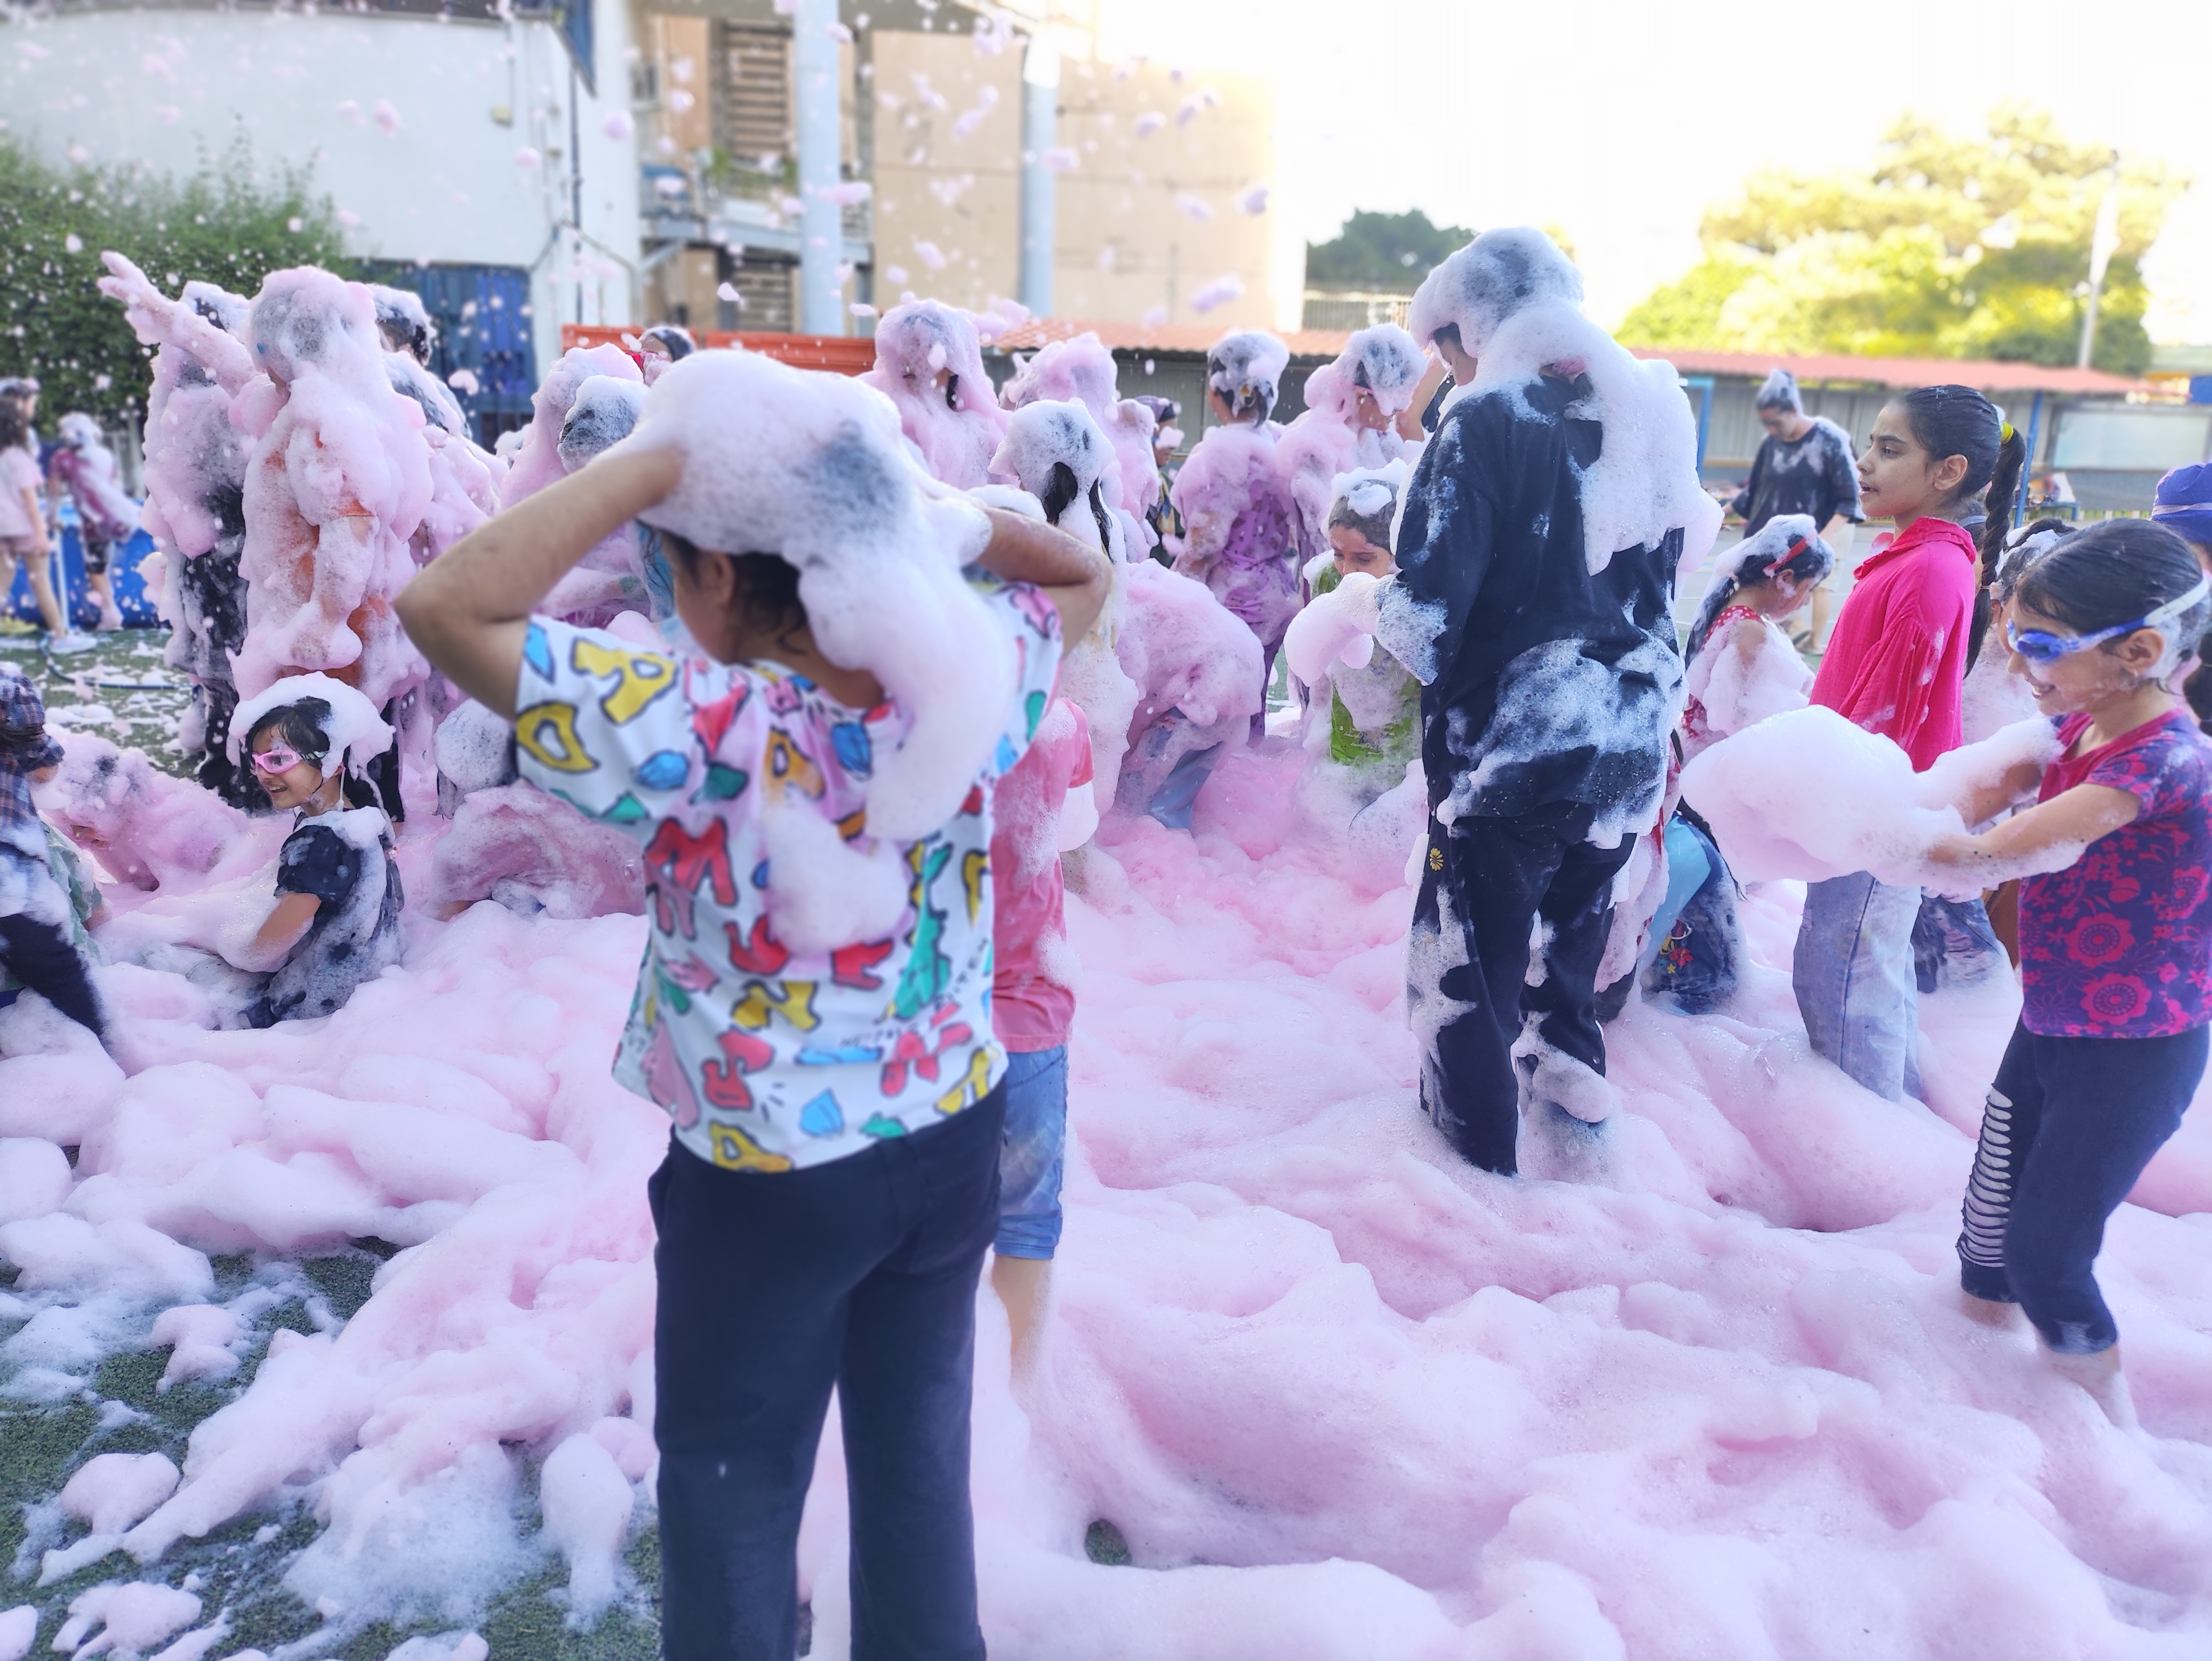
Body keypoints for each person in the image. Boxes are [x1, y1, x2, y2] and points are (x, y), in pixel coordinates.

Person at [393, 348, 1108, 1661]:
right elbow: (1081, 574)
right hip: (950, 1133)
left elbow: (445, 607)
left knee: (735, 1495)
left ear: (717, 575)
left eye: (671, 563)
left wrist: (656, 463)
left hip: (770, 1177)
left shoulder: (693, 721)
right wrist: (929, 518)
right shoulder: (968, 676)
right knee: (917, 1476)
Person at [1379, 227, 1715, 1177]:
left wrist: (1366, 614)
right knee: (1567, 970)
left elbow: (1424, 616)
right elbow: (1660, 581)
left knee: (1470, 984)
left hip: (1516, 749)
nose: (1447, 368)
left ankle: (1473, 1189)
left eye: (1444, 346)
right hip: (1627, 744)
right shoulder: (1653, 411)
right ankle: (1579, 1175)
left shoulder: (1484, 417)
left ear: (1468, 325)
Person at [1925, 520, 2212, 1427]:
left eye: (2044, 645)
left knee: (2046, 1254)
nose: (2019, 661)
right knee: (1987, 1229)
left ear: (2140, 652)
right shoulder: (2077, 725)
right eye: (2016, 635)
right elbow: (1981, 788)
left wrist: (1885, 840)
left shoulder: (2163, 760)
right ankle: (1974, 1403)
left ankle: (2102, 1439)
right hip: (2052, 1015)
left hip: (2135, 1048)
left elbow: (1999, 849)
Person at [1793, 386, 2024, 1102]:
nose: (1864, 463)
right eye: (1869, 444)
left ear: (1949, 471)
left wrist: (1819, 803)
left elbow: (1886, 720)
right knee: (1864, 981)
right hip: (1875, 810)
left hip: (1876, 816)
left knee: (1841, 989)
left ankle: (1865, 1137)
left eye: (1889, 450)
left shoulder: (1929, 568)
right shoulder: (1918, 556)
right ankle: (1892, 1128)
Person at [987, 694, 1095, 1374]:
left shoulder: (887, 710)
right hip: (1028, 1015)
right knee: (1025, 1225)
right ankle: (1014, 1395)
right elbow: (1074, 829)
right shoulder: (1059, 719)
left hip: (925, 1029)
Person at [227, 676, 404, 1030]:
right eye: (257, 762)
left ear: (334, 763)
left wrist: (230, 952)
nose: (263, 774)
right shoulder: (364, 821)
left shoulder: (322, 841)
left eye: (279, 760)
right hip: (371, 983)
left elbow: (270, 945)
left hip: (314, 1004)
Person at [1168, 330, 1299, 740]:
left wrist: (1169, 603)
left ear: (1215, 391)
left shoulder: (1221, 455)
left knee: (1214, 723)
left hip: (1233, 602)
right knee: (1252, 710)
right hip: (1276, 593)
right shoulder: (1281, 442)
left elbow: (1203, 548)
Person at [0, 664, 104, 1039]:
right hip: (11, 881)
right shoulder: (8, 687)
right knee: (67, 988)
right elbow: (95, 915)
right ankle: (107, 1052)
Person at [1679, 514, 1833, 761]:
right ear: (1785, 579)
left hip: (1699, 750)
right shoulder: (1750, 629)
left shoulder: (1728, 610)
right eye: (1808, 589)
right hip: (1716, 761)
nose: (1806, 601)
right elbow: (1728, 716)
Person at [1729, 368, 1864, 647]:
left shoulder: (1828, 440)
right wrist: (1720, 511)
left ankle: (1810, 642)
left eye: (1776, 423)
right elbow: (1756, 491)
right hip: (1782, 542)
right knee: (1764, 610)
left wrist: (1820, 541)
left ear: (1793, 411)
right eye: (1767, 424)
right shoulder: (1773, 443)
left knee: (1804, 599)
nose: (1772, 430)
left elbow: (1847, 499)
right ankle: (1791, 639)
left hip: (1817, 537)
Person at [0, 395, 83, 649]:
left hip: (3, 530)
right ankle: (60, 636)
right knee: (41, 582)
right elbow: (30, 502)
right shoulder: (18, 458)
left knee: (1, 587)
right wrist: (41, 535)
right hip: (25, 529)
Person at [46, 413, 140, 633]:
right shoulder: (104, 456)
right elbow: (115, 487)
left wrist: (51, 517)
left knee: (95, 567)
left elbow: (54, 491)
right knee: (110, 562)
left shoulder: (62, 458)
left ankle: (111, 613)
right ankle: (125, 605)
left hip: (96, 521)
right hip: (122, 516)